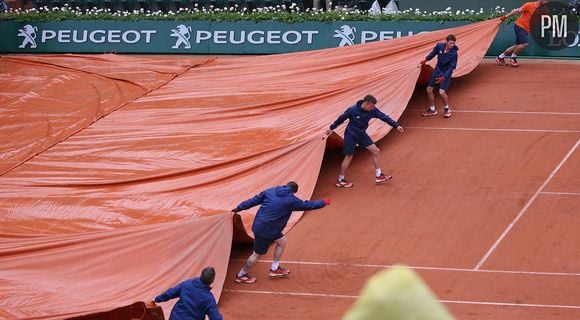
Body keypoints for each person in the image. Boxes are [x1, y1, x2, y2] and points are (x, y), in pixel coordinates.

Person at [232, 181, 329, 283]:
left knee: (282, 242)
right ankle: (241, 275)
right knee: (256, 255)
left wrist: (239, 207)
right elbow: (308, 205)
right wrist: (323, 202)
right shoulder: (291, 200)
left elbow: (253, 201)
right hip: (267, 230)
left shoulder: (270, 191)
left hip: (261, 226)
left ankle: (275, 268)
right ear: (293, 192)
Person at [326, 94, 404, 188]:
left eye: (373, 107)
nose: (372, 108)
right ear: (366, 103)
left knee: (376, 151)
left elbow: (383, 116)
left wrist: (396, 125)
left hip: (362, 135)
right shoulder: (352, 110)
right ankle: (341, 180)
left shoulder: (372, 110)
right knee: (349, 156)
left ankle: (379, 175)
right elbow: (341, 119)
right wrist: (331, 128)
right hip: (351, 135)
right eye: (371, 106)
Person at [147, 267, 223, 320]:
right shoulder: (209, 299)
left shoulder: (187, 284)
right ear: (212, 281)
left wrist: (156, 299)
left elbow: (170, 293)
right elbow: (215, 318)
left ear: (201, 275)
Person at [496, 0, 550, 67]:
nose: (547, 2)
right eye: (546, 0)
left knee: (517, 46)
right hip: (519, 26)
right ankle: (513, 58)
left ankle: (500, 57)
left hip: (526, 29)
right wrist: (505, 16)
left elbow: (548, 18)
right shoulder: (529, 5)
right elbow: (517, 11)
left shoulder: (543, 9)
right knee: (524, 44)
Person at [420, 34, 459, 119]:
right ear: (446, 42)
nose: (452, 45)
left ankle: (447, 109)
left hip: (446, 74)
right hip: (437, 71)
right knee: (429, 89)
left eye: (453, 43)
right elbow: (433, 54)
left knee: (441, 92)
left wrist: (444, 77)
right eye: (451, 43)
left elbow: (452, 67)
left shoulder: (454, 54)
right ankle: (432, 109)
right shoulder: (439, 46)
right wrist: (426, 59)